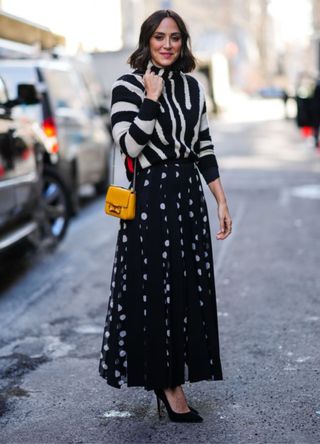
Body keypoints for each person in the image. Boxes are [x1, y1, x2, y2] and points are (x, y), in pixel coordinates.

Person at [98, 9, 232, 423]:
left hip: (187, 197)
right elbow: (131, 146)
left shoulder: (194, 88)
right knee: (155, 289)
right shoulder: (127, 86)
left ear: (183, 42)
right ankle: (167, 384)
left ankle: (175, 375)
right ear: (147, 41)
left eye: (175, 37)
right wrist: (151, 98)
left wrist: (220, 200)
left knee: (187, 288)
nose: (168, 44)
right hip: (150, 201)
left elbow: (203, 146)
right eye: (160, 37)